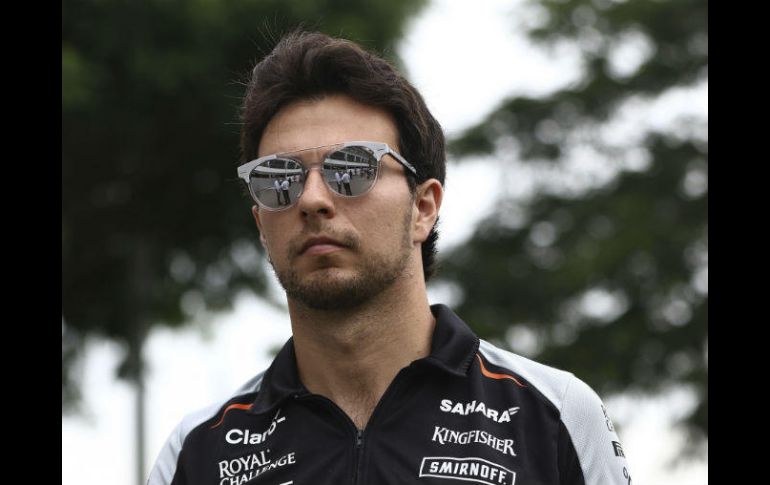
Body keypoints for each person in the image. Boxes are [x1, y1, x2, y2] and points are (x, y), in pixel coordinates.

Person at [148, 30, 632, 485]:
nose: (311, 199)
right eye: (279, 178)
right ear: (260, 224)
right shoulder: (198, 454)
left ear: (423, 207)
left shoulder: (554, 415)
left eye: (351, 168)